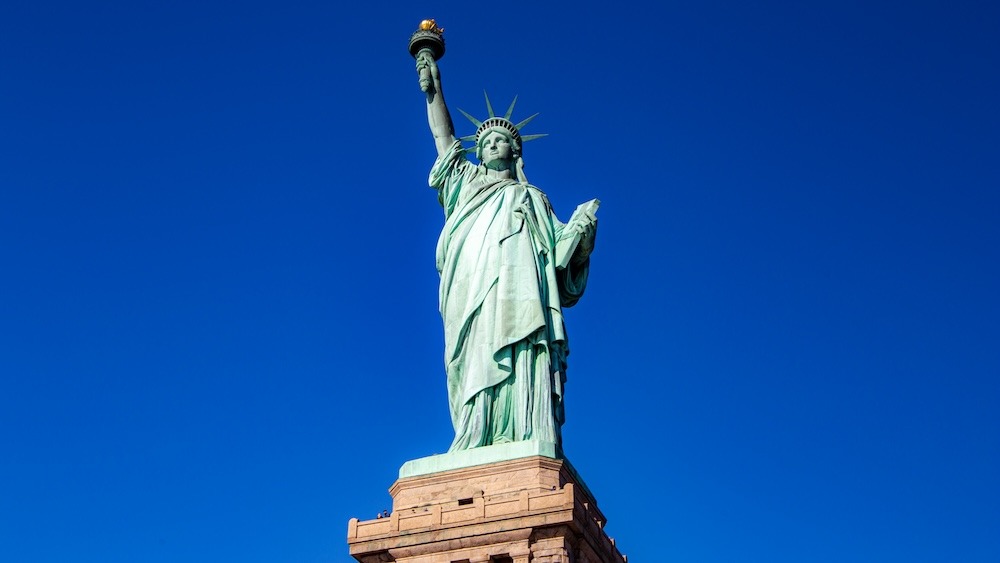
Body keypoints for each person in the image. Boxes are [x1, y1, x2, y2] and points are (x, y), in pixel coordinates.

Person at [415, 51, 597, 452]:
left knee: (523, 344)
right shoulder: (465, 186)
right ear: (478, 152)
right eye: (486, 141)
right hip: (471, 285)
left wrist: (582, 231)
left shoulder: (533, 198)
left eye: (501, 140)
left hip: (521, 290)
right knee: (474, 350)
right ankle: (475, 430)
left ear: (516, 151)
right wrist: (435, 91)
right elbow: (443, 139)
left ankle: (525, 429)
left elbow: (560, 260)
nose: (493, 144)